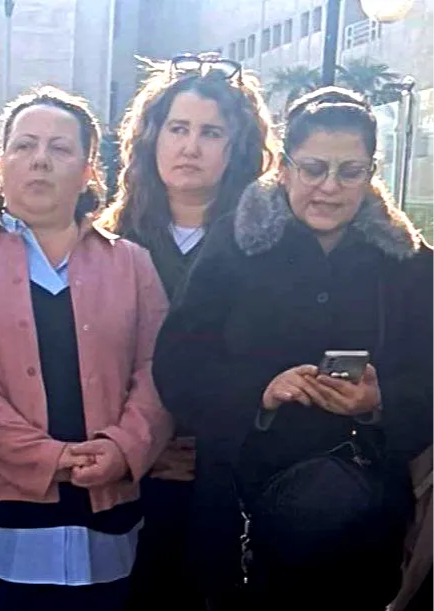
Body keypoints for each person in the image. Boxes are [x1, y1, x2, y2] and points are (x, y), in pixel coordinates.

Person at [153, 87, 434, 611]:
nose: (329, 187)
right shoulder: (234, 247)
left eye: (350, 171)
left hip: (364, 527)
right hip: (242, 521)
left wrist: (380, 401)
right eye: (313, 169)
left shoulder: (409, 264)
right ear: (284, 169)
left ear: (371, 173)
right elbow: (178, 364)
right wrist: (260, 392)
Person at [0, 86, 174, 610]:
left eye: (60, 148)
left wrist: (124, 447)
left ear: (87, 171)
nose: (40, 160)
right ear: (1, 163)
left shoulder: (132, 264)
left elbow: (159, 370)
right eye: (24, 145)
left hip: (107, 511)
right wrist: (45, 456)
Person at [99, 52, 278, 609]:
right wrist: (143, 446)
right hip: (125, 480)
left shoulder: (268, 246)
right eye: (178, 128)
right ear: (152, 137)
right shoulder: (108, 242)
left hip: (227, 485)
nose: (190, 147)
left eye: (210, 132)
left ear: (237, 147)